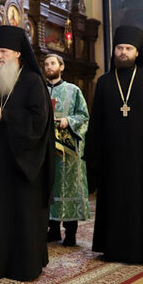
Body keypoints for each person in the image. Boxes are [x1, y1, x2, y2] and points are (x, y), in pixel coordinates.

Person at [85, 25, 143, 266]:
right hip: (113, 157)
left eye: (128, 49)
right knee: (114, 202)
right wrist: (93, 155)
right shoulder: (104, 82)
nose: (123, 52)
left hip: (142, 158)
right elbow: (97, 121)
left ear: (137, 52)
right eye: (119, 48)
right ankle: (112, 249)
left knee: (141, 204)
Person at [0, 25, 55, 281]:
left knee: (23, 214)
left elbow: (40, 120)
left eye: (3, 51)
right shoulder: (0, 80)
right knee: (0, 213)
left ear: (17, 53)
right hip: (1, 159)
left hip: (25, 161)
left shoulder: (33, 80)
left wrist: (5, 115)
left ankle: (24, 266)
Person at [43, 54, 90, 247]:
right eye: (46, 64)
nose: (49, 67)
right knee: (49, 186)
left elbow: (84, 116)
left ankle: (71, 233)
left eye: (53, 63)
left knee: (68, 185)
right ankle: (52, 230)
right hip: (45, 148)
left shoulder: (73, 90)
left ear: (61, 66)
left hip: (68, 149)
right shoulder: (39, 90)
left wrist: (68, 121)